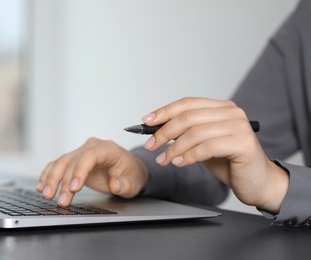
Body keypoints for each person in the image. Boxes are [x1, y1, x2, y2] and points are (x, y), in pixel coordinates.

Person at [37, 0, 311, 227]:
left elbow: (261, 176)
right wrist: (141, 171)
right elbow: (223, 160)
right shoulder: (305, 20)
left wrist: (277, 185)